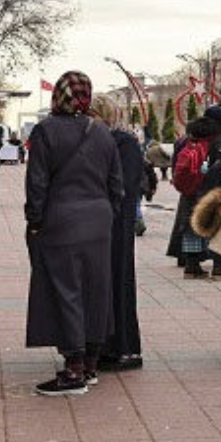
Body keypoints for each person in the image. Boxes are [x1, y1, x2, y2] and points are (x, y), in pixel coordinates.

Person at [24, 72, 122, 396]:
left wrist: (35, 220)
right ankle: (91, 364)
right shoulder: (104, 134)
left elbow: (37, 183)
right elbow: (116, 186)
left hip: (60, 221)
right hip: (99, 222)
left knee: (65, 291)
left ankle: (73, 370)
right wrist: (107, 216)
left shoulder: (45, 131)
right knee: (96, 291)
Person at [89, 96, 144, 373]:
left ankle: (124, 346)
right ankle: (106, 343)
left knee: (118, 280)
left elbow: (126, 185)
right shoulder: (108, 140)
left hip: (117, 222)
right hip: (103, 219)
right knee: (103, 283)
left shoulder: (124, 142)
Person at [168, 106, 221, 278]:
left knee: (191, 228)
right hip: (212, 191)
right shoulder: (217, 139)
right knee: (216, 227)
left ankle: (191, 267)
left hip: (189, 192)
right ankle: (218, 267)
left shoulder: (188, 140)